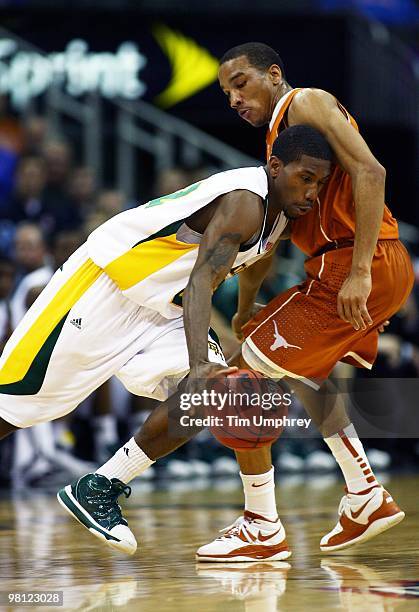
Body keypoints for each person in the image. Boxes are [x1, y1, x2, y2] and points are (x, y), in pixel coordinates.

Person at [65, 43, 414, 562]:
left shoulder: (305, 102)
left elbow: (373, 172)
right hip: (345, 264)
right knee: (299, 372)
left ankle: (254, 521)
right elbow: (270, 243)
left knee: (235, 382)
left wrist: (360, 270)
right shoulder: (283, 152)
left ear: (274, 74)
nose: (234, 97)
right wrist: (248, 305)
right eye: (226, 92)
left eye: (241, 83)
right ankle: (364, 494)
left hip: (357, 261)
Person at [0, 126, 333, 556]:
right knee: (14, 405)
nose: (312, 192)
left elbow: (255, 257)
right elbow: (200, 283)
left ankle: (102, 484)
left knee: (220, 394)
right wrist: (199, 363)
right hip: (107, 286)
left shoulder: (284, 213)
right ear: (275, 167)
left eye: (319, 183)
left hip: (163, 310)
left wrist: (244, 309)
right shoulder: (244, 202)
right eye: (305, 178)